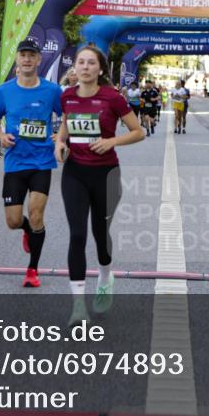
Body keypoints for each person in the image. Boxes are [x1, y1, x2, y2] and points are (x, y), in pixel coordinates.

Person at [55, 45, 144, 325]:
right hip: (75, 173)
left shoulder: (112, 98)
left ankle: (105, 275)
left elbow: (138, 131)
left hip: (106, 174)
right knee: (77, 235)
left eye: (90, 63)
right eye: (80, 62)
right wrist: (59, 142)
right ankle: (78, 306)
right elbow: (66, 124)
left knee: (100, 235)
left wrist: (112, 141)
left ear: (100, 69)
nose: (84, 67)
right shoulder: (67, 96)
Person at [0, 39, 62, 288]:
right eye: (23, 55)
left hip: (42, 160)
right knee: (13, 220)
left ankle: (33, 269)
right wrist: (1, 136)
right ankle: (27, 230)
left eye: (32, 55)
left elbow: (67, 117)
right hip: (15, 163)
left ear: (39, 60)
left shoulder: (52, 91)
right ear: (17, 60)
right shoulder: (5, 91)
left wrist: (60, 136)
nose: (27, 59)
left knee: (37, 213)